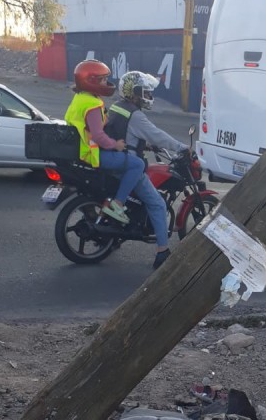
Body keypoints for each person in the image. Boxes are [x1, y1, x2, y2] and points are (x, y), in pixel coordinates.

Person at [104, 70, 190, 269]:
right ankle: (162, 252)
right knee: (158, 204)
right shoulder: (136, 115)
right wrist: (181, 147)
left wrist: (145, 145)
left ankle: (119, 230)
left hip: (115, 159)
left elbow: (124, 133)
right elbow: (157, 134)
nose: (149, 96)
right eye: (145, 92)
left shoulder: (118, 107)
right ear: (134, 92)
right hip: (129, 164)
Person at [64, 59, 144, 225]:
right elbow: (98, 136)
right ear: (91, 81)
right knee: (137, 164)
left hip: (79, 152)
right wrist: (116, 145)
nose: (105, 83)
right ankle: (118, 203)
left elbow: (86, 126)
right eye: (102, 79)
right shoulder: (93, 104)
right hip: (93, 155)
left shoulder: (80, 98)